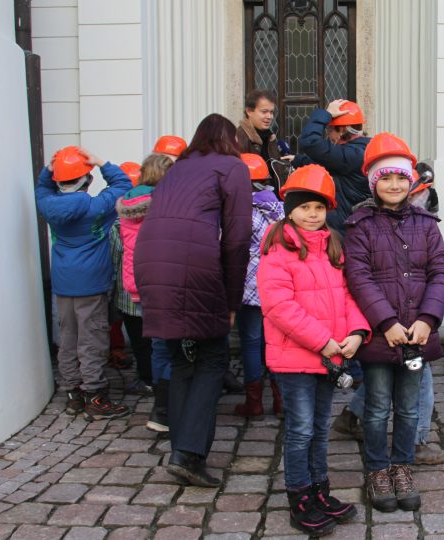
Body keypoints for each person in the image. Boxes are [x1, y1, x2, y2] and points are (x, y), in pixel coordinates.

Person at [134, 114, 253, 486]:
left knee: (183, 359)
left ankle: (179, 446)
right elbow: (236, 239)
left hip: (152, 263)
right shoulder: (232, 167)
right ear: (231, 141)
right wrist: (232, 300)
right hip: (193, 266)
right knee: (212, 359)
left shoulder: (176, 168)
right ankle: (188, 454)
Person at [258, 164, 368, 536]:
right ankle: (299, 496)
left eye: (318, 208)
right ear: (290, 209)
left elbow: (349, 294)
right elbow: (279, 307)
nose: (312, 214)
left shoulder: (332, 245)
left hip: (332, 354)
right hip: (298, 358)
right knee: (301, 429)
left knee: (320, 429)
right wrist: (323, 341)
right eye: (304, 207)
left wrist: (357, 331)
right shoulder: (278, 250)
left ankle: (320, 490)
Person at [345, 133, 444, 512]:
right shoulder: (360, 226)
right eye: (386, 178)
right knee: (375, 408)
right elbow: (358, 278)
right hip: (381, 336)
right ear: (374, 182)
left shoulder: (426, 224)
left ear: (411, 182)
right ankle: (377, 470)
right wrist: (386, 322)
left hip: (416, 337)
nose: (394, 185)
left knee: (408, 408)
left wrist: (427, 319)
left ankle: (402, 465)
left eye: (401, 178)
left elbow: (441, 272)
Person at [35, 146, 132, 420]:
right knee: (92, 339)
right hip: (91, 283)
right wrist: (101, 162)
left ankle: (72, 394)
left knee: (68, 338)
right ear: (87, 181)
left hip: (64, 283)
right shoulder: (96, 208)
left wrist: (50, 170)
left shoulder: (47, 204)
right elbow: (123, 183)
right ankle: (95, 396)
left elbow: (42, 188)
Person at [114, 154, 176, 431]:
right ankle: (167, 403)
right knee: (169, 345)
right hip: (160, 279)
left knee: (152, 342)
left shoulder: (127, 204)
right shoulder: (163, 204)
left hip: (135, 282)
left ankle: (156, 393)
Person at [235, 153, 286, 419]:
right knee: (274, 343)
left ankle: (254, 403)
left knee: (252, 343)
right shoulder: (281, 209)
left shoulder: (243, 212)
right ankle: (280, 400)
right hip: (276, 284)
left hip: (248, 286)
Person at [292, 99, 370, 236]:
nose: (329, 135)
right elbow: (329, 164)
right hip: (352, 228)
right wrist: (298, 160)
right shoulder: (361, 150)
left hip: (345, 233)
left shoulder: (352, 155)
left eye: (330, 130)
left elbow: (310, 142)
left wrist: (325, 114)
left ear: (343, 130)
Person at [109, 161, 153, 396]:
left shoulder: (118, 223)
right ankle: (162, 377)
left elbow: (115, 259)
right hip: (155, 287)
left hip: (128, 293)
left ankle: (146, 379)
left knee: (139, 341)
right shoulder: (160, 215)